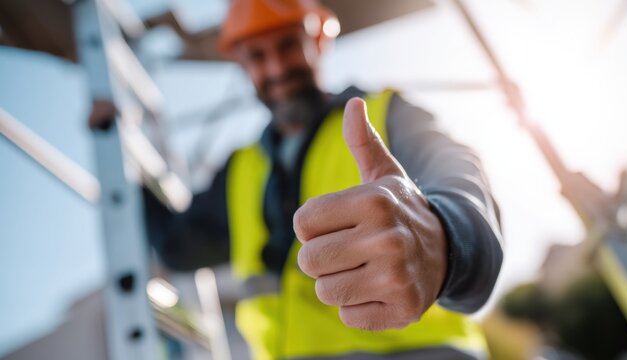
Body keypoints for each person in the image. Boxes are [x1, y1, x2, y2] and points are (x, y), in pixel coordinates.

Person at [145, 0, 503, 359]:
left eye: (288, 45)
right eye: (256, 56)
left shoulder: (384, 115)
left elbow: (461, 177)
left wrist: (444, 239)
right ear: (242, 65)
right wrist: (121, 153)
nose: (276, 67)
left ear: (317, 42)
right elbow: (177, 246)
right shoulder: (240, 170)